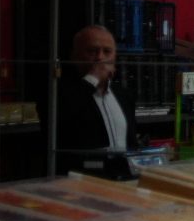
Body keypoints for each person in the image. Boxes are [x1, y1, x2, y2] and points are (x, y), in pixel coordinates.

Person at [53, 25, 137, 167]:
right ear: (75, 55)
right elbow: (62, 125)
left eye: (107, 51)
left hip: (121, 179)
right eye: (92, 51)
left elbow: (131, 143)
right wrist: (93, 78)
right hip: (79, 180)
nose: (100, 57)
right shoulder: (58, 93)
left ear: (115, 57)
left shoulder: (123, 95)